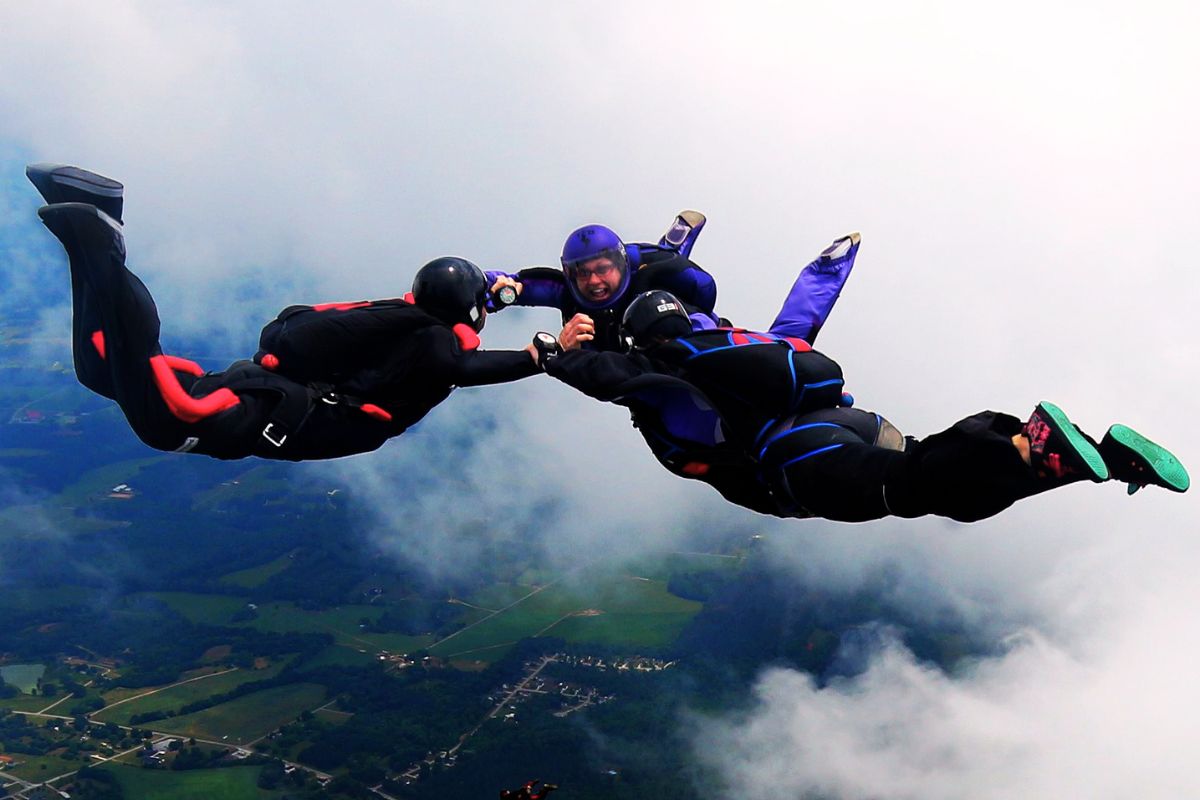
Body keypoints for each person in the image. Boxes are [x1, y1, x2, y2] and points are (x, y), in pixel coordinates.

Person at [29, 163, 545, 462]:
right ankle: (101, 238)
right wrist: (539, 355)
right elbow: (462, 365)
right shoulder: (438, 344)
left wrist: (497, 293)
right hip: (257, 414)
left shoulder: (406, 316)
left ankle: (87, 228)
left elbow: (455, 319)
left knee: (97, 367)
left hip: (256, 393)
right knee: (164, 421)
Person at [538, 289, 1189, 522]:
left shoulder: (661, 391)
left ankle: (1040, 454)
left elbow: (698, 459)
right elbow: (796, 327)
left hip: (798, 463)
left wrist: (555, 357)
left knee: (915, 489)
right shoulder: (721, 340)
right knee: (927, 469)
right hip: (857, 424)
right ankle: (1091, 458)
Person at [485, 217, 861, 352]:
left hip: (685, 325)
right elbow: (518, 283)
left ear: (621, 264)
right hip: (631, 362)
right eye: (583, 274)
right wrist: (492, 290)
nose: (594, 282)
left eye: (603, 269)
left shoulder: (654, 282)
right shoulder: (568, 292)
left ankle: (825, 271)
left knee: (786, 348)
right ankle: (672, 246)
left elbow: (704, 293)